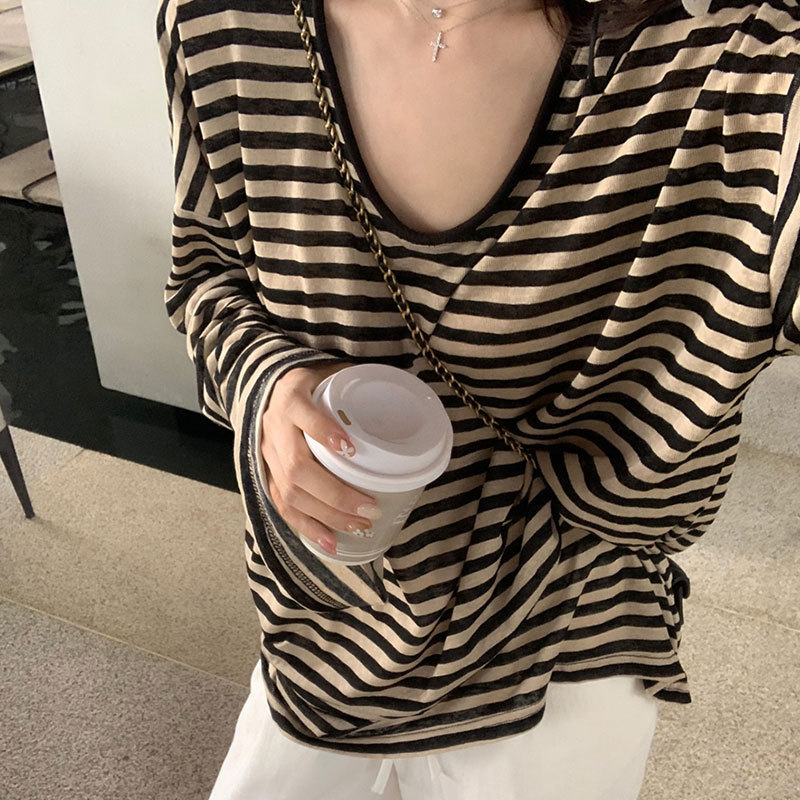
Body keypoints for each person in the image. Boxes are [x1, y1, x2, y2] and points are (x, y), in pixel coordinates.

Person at [156, 0, 800, 797]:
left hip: (564, 630)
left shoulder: (731, 55)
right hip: (320, 621)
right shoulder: (220, 24)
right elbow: (207, 275)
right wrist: (269, 383)